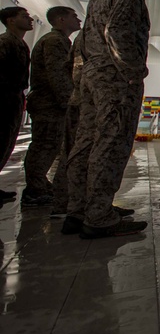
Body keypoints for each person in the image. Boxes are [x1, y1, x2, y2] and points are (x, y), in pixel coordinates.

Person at [63, 0, 153, 238]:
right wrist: (133, 70)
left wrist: (87, 71)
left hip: (92, 73)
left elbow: (85, 38)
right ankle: (99, 216)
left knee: (86, 140)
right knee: (112, 141)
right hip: (114, 77)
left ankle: (78, 210)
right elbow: (116, 31)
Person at [22, 7, 81, 207]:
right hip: (50, 104)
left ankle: (38, 185)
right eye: (73, 16)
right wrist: (68, 102)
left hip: (51, 103)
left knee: (49, 145)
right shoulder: (54, 41)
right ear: (61, 19)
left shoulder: (60, 40)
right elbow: (58, 75)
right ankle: (34, 190)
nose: (78, 19)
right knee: (45, 145)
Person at [0, 6, 34, 203]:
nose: (30, 19)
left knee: (6, 143)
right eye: (24, 16)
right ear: (11, 20)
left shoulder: (20, 44)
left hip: (13, 98)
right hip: (3, 98)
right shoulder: (5, 42)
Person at [49, 33, 84, 218]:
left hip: (82, 98)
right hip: (88, 101)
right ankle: (76, 205)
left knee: (75, 151)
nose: (77, 19)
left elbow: (67, 66)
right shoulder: (54, 40)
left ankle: (73, 203)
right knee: (80, 152)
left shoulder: (83, 35)